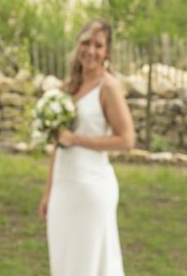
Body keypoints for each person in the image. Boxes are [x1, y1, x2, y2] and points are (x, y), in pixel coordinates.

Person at [38, 20, 136, 276]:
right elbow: (58, 144)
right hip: (63, 187)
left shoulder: (109, 87)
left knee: (90, 265)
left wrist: (78, 139)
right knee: (63, 261)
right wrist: (49, 192)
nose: (90, 50)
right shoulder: (68, 86)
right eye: (85, 43)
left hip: (92, 188)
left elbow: (126, 140)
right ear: (77, 46)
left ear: (107, 52)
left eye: (98, 45)